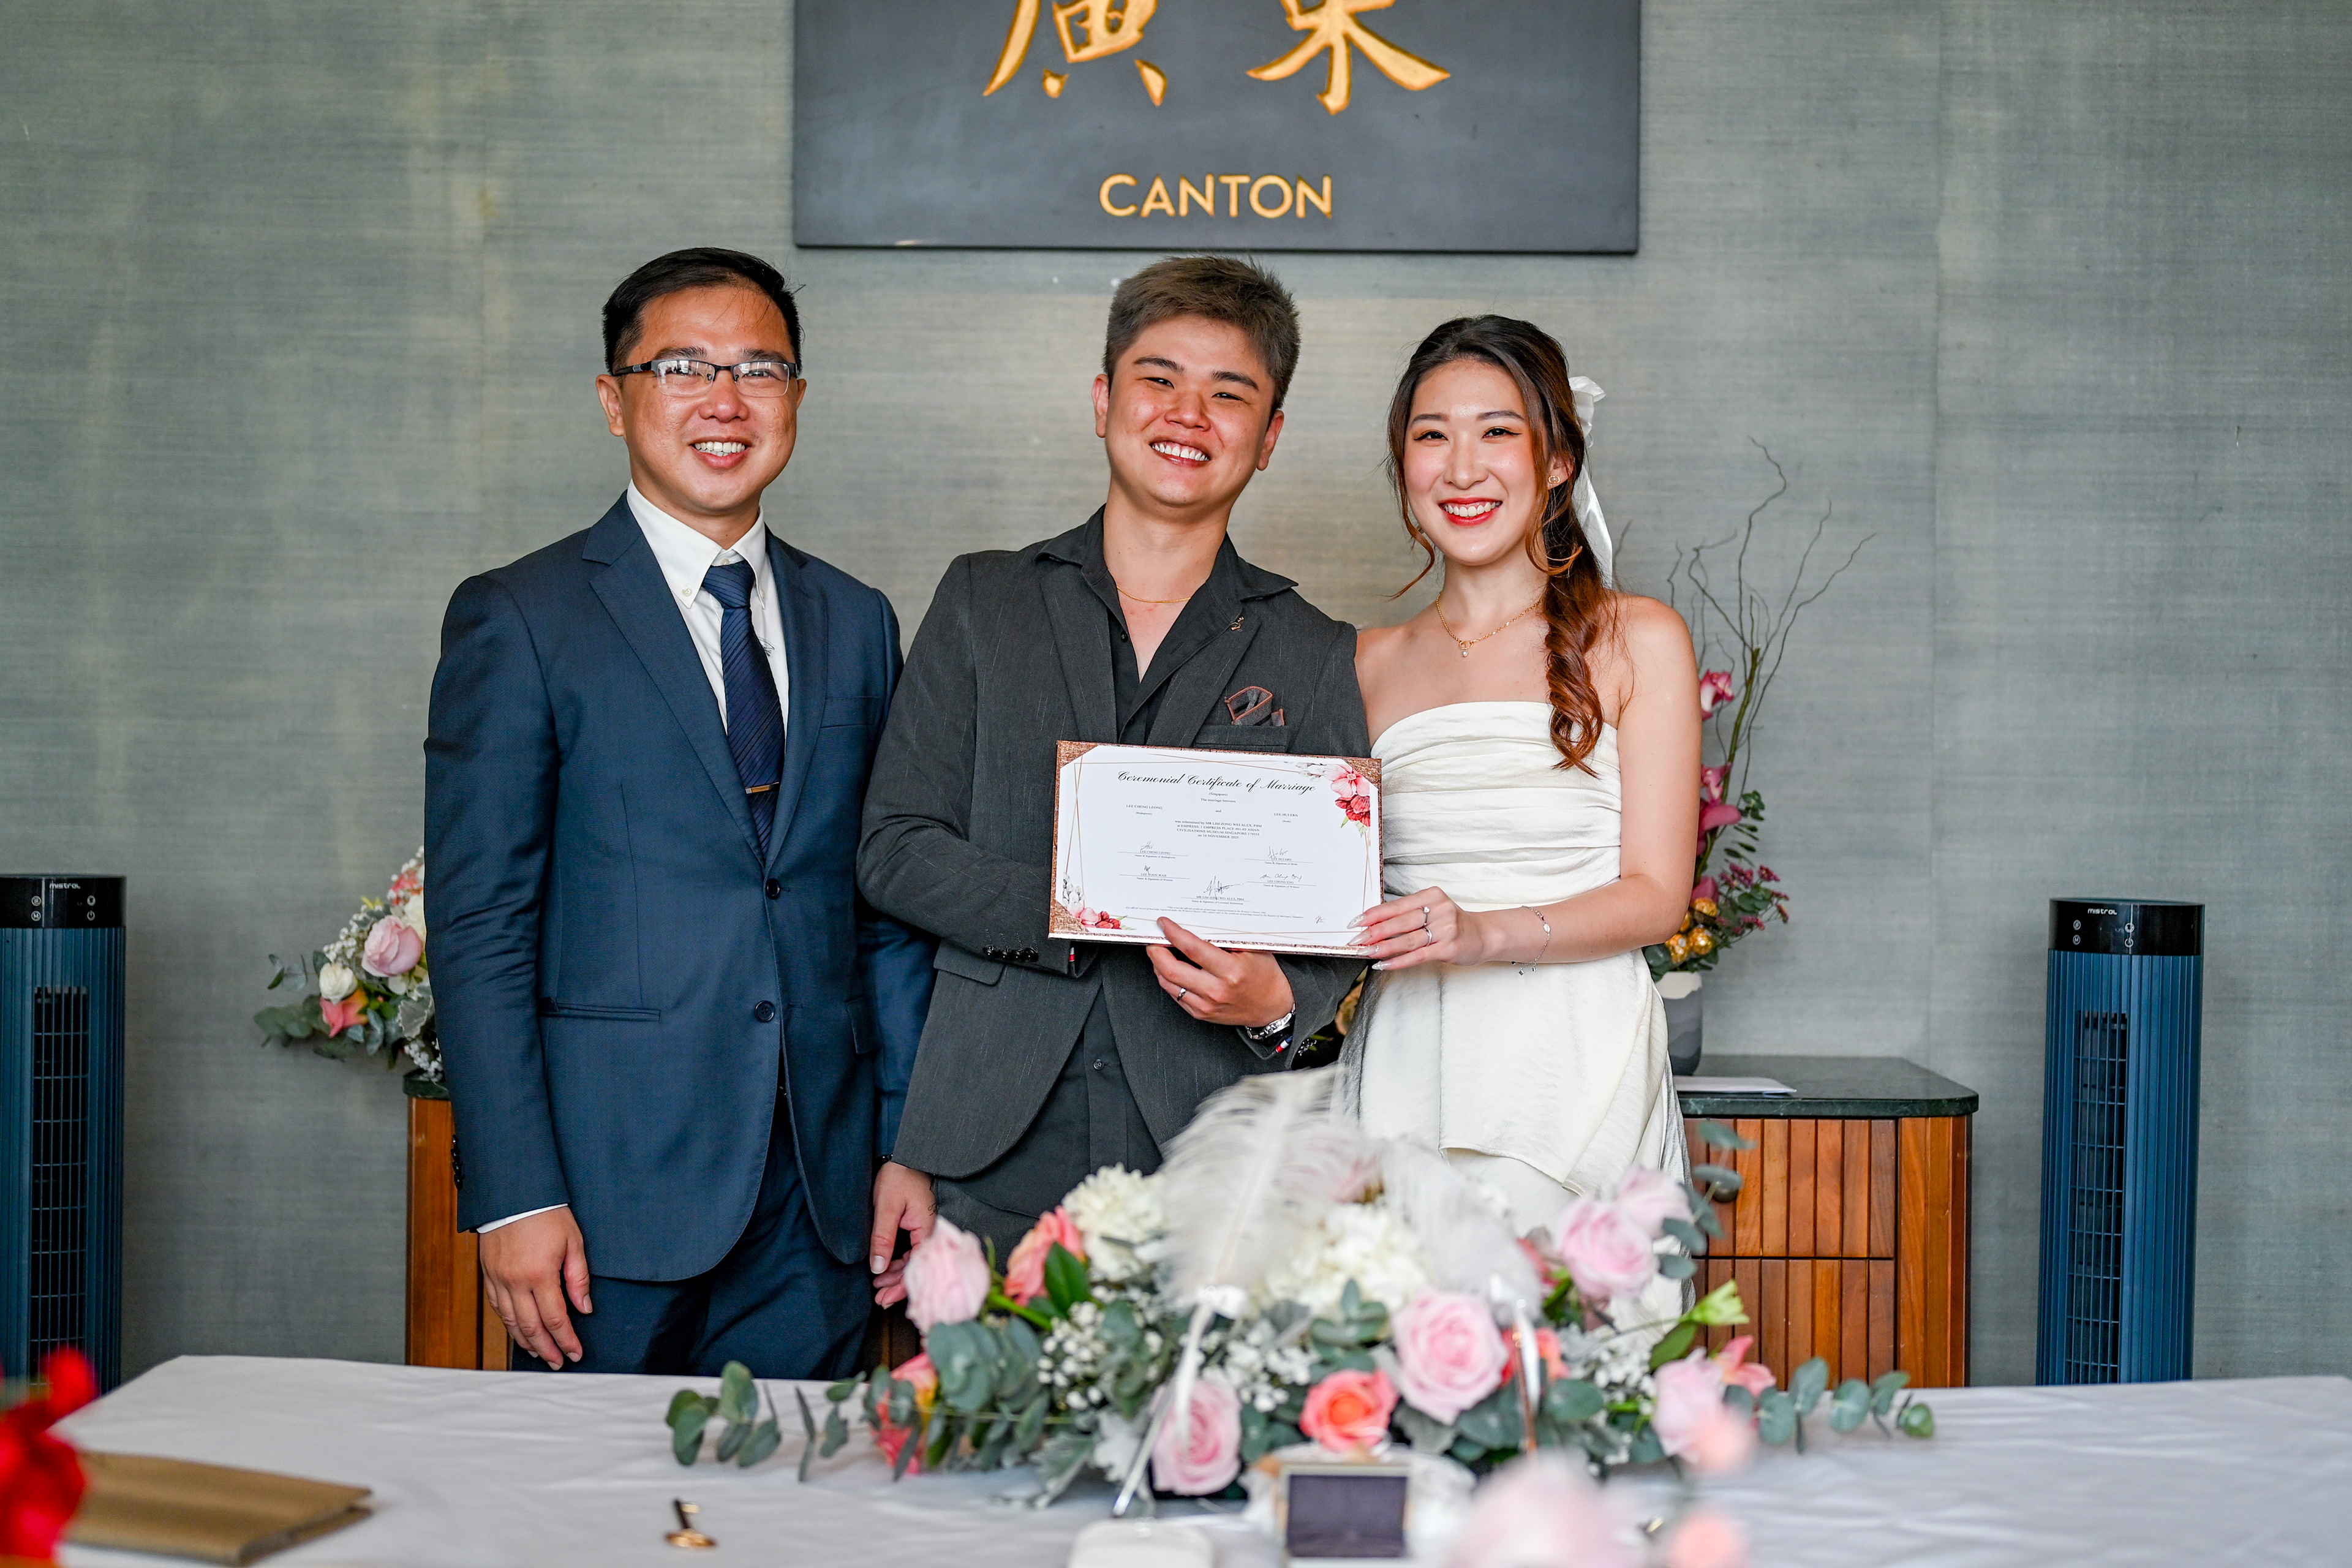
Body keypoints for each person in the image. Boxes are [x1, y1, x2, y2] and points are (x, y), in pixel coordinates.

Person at [424, 247, 933, 1376]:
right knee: (586, 1489)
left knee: (802, 1484)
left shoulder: (857, 620)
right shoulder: (522, 617)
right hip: (603, 1204)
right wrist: (514, 1195)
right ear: (615, 401)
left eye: (759, 369)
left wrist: (906, 1143)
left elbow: (886, 912)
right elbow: (480, 924)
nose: (725, 400)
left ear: (797, 396)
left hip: (820, 1202)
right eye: (683, 368)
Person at [858, 255, 1369, 1264]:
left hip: (1211, 1142)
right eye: (1159, 379)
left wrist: (1278, 1006)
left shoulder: (1312, 648)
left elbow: (1337, 906)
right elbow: (894, 848)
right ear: (1103, 401)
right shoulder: (984, 599)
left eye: (1229, 394)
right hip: (979, 1134)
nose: (1188, 415)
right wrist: (1085, 904)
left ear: (1269, 438)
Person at [1342, 315, 1700, 1238]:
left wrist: (1482, 932)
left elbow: (1658, 896)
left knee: (1574, 1320)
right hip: (1409, 1056)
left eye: (1497, 431)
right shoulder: (1363, 662)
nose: (1462, 469)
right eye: (1432, 436)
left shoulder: (1639, 639)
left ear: (1557, 462)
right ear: (1404, 466)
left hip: (1574, 1060)